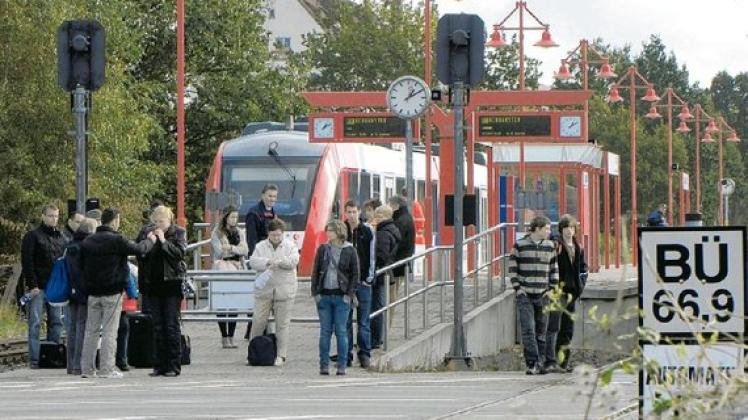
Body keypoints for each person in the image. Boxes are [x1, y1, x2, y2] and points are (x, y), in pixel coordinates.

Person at [80, 208, 156, 378]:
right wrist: (150, 240)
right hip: (112, 291)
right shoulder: (117, 240)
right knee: (109, 331)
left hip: (92, 293)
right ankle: (106, 369)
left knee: (90, 331)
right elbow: (139, 249)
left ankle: (86, 368)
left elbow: (81, 266)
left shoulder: (88, 241)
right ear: (114, 221)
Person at [138, 205, 188, 377]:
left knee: (171, 325)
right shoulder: (147, 232)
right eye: (156, 221)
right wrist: (149, 241)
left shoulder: (178, 233)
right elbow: (140, 253)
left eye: (162, 221)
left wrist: (164, 241)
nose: (159, 225)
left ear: (169, 220)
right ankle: (158, 365)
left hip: (171, 284)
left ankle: (173, 365)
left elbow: (179, 253)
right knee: (157, 326)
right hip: (153, 284)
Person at [508, 215, 559, 375]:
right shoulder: (520, 245)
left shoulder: (550, 247)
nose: (549, 231)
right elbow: (512, 269)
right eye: (547, 228)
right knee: (528, 329)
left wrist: (552, 289)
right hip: (526, 295)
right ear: (537, 229)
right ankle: (532, 362)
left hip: (543, 294)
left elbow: (554, 270)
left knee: (541, 330)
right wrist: (518, 289)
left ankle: (541, 362)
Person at [248, 219, 299, 367]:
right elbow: (253, 262)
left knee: (282, 325)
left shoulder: (290, 246)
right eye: (273, 235)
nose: (276, 238)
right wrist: (267, 262)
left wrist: (280, 262)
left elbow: (294, 260)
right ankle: (253, 351)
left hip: (284, 290)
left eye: (278, 235)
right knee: (258, 321)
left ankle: (281, 355)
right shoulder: (260, 246)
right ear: (268, 234)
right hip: (264, 291)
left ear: (283, 234)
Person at [311, 220, 359, 376]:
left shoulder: (350, 250)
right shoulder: (323, 249)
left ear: (339, 232)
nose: (328, 233)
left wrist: (349, 295)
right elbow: (315, 271)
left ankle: (342, 365)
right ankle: (323, 365)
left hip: (341, 296)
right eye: (327, 230)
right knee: (325, 332)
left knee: (341, 331)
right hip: (324, 295)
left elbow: (355, 274)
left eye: (331, 230)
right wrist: (316, 293)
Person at [21, 204, 66, 369]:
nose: (54, 219)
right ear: (43, 216)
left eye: (56, 216)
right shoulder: (33, 236)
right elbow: (27, 262)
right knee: (35, 323)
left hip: (55, 288)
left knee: (56, 323)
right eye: (50, 216)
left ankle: (51, 356)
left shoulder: (61, 237)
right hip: (38, 287)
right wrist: (32, 284)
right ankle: (34, 359)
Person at [545, 215, 588, 373]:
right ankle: (550, 361)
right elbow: (551, 238)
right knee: (554, 326)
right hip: (558, 292)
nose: (569, 231)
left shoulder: (579, 247)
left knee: (567, 330)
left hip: (572, 293)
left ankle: (563, 362)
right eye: (566, 228)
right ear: (561, 230)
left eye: (572, 228)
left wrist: (580, 286)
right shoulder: (557, 245)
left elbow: (583, 269)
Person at [343, 200, 376, 368]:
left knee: (363, 321)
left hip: (363, 282)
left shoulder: (367, 231)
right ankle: (347, 353)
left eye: (354, 211)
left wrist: (369, 278)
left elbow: (371, 255)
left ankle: (364, 353)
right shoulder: (342, 230)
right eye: (349, 212)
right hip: (346, 284)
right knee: (346, 321)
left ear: (359, 212)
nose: (352, 215)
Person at [211, 205, 248, 348]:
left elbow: (245, 250)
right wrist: (235, 251)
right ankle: (224, 336)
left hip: (237, 268)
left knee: (234, 304)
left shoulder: (240, 232)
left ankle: (231, 336)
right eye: (232, 216)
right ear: (226, 217)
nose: (234, 220)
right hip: (222, 268)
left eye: (236, 217)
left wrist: (232, 248)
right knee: (222, 303)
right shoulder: (217, 232)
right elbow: (219, 252)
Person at [63, 217, 97, 375]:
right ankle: (78, 365)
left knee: (72, 328)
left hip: (71, 291)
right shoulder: (86, 247)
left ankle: (70, 365)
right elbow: (86, 271)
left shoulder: (70, 245)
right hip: (83, 292)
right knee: (82, 327)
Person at [370, 205, 401, 349]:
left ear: (383, 216)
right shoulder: (392, 229)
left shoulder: (382, 233)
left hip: (380, 275)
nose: (374, 218)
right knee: (380, 305)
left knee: (376, 306)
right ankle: (378, 337)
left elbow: (381, 255)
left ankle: (375, 339)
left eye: (377, 215)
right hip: (387, 274)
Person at [387, 195, 415, 304]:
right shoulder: (407, 217)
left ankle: (388, 320)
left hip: (397, 265)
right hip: (402, 263)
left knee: (391, 296)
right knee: (392, 294)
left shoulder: (399, 221)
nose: (388, 208)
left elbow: (396, 243)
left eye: (390, 205)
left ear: (396, 206)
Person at [246, 184, 278, 256]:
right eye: (270, 196)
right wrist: (254, 257)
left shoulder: (274, 213)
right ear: (263, 196)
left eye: (274, 196)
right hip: (260, 254)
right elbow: (251, 239)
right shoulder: (253, 213)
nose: (272, 199)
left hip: (271, 252)